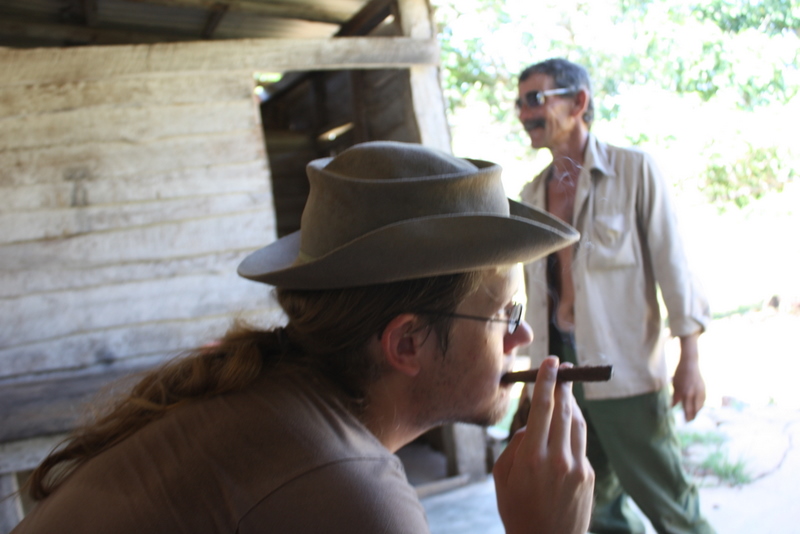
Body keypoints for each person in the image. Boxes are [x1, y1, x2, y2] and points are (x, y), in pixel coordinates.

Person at [12, 141, 594, 534]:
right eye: (507, 314)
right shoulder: (347, 491)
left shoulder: (274, 398)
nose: (523, 335)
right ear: (406, 344)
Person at [511, 58, 714, 534]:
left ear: (578, 102)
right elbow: (535, 294)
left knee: (671, 505)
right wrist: (531, 384)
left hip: (624, 372)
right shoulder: (531, 194)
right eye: (519, 104)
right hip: (561, 375)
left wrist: (690, 358)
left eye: (535, 100)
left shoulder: (634, 170)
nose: (524, 114)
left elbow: (673, 263)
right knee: (594, 510)